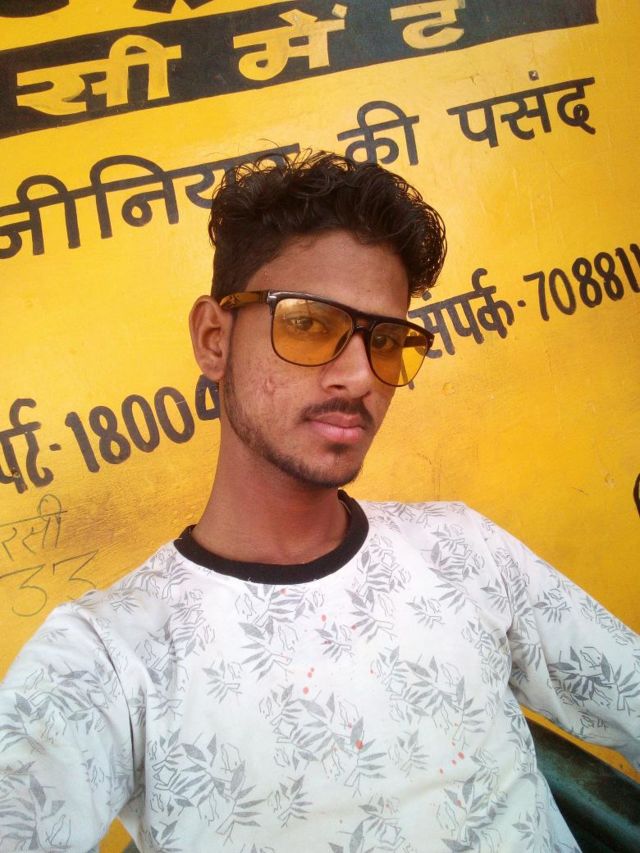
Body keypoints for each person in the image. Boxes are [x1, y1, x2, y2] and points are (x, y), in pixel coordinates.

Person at [0, 151, 638, 853]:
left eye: (387, 340)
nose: (361, 375)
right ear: (214, 339)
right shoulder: (107, 659)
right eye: (308, 323)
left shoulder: (461, 549)